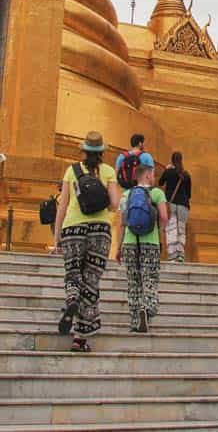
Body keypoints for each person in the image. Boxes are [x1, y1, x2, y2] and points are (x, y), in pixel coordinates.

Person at [52, 131, 121, 353]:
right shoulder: (109, 171)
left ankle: (72, 298)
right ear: (102, 152)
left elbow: (62, 206)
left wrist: (57, 238)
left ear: (83, 150)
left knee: (73, 273)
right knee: (90, 280)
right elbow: (114, 203)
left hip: (72, 227)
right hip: (100, 230)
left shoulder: (71, 171)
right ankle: (80, 338)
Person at [113, 161, 168, 332]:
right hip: (150, 243)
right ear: (147, 175)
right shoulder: (157, 193)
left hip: (130, 242)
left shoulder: (126, 195)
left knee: (133, 281)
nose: (153, 178)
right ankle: (147, 309)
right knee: (149, 279)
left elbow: (122, 223)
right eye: (152, 174)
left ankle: (135, 319)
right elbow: (164, 217)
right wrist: (159, 232)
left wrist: (119, 247)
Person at [158, 151, 192, 263]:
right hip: (183, 205)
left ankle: (172, 255)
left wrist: (166, 169)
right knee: (181, 230)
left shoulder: (169, 172)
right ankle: (181, 255)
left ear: (172, 160)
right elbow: (189, 194)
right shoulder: (186, 175)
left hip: (171, 204)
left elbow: (160, 183)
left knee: (171, 229)